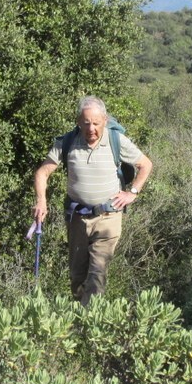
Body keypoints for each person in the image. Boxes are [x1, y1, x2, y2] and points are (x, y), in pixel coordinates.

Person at [32, 96, 153, 305]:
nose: (91, 129)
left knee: (97, 274)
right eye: (86, 123)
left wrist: (132, 192)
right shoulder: (67, 142)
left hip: (108, 217)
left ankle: (89, 325)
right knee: (77, 276)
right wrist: (41, 201)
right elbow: (42, 173)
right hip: (77, 218)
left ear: (105, 120)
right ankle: (80, 315)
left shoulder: (117, 141)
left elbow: (145, 164)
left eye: (96, 123)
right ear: (78, 121)